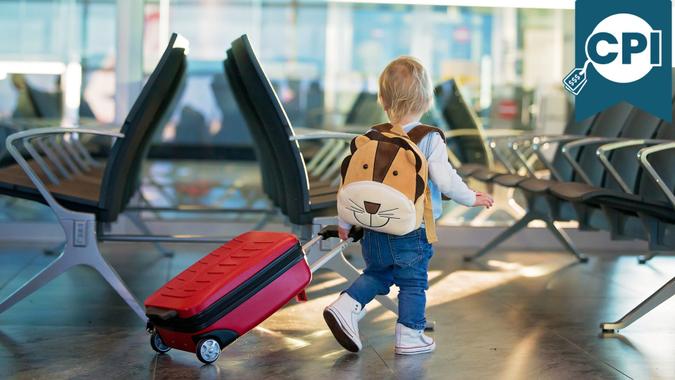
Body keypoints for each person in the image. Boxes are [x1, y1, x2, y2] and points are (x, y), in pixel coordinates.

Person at [323, 56, 494, 355]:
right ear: (427, 99)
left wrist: (345, 223)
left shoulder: (369, 137)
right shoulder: (429, 139)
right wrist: (470, 197)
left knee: (377, 274)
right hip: (411, 230)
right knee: (413, 284)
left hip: (373, 227)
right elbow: (445, 178)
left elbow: (350, 185)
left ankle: (346, 304)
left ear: (382, 99)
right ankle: (410, 335)